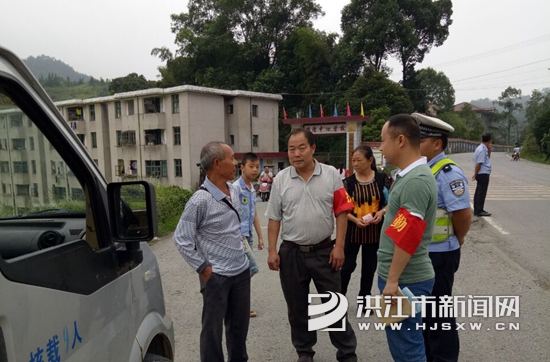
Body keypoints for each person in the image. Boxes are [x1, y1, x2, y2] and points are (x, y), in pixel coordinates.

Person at [266, 128, 358, 362]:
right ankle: (304, 352)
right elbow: (274, 218)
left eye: (301, 148)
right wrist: (271, 251)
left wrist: (339, 247)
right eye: (291, 149)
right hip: (291, 253)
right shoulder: (280, 180)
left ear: (313, 148)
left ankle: (346, 353)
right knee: (297, 309)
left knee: (333, 305)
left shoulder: (331, 175)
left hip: (324, 250)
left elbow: (342, 211)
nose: (296, 154)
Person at [173, 141, 250, 362]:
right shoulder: (200, 200)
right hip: (217, 277)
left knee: (238, 330)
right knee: (212, 332)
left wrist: (247, 261)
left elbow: (235, 230)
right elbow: (181, 238)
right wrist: (204, 269)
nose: (236, 163)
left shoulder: (234, 190)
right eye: (232, 158)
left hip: (241, 273)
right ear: (217, 163)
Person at [378, 114, 438, 362]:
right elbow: (401, 225)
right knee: (402, 345)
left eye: (383, 140)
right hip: (399, 278)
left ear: (400, 140)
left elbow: (409, 234)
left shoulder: (417, 181)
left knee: (408, 350)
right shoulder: (407, 177)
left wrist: (392, 282)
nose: (381, 146)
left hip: (405, 281)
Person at [413, 113, 472, 362]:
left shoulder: (447, 172)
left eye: (422, 142)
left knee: (439, 313)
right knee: (425, 313)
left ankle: (445, 358)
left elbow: (462, 213)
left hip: (441, 254)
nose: (417, 146)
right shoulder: (423, 170)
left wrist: (457, 239)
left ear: (437, 144)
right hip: (425, 253)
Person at [341, 145, 389, 299]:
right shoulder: (348, 183)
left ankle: (365, 298)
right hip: (353, 230)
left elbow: (391, 202)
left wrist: (381, 212)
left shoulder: (382, 180)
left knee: (369, 267)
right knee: (347, 266)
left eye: (359, 160)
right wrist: (355, 219)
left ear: (370, 160)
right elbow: (342, 209)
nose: (355, 164)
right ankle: (340, 298)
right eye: (353, 160)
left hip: (374, 231)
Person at [233, 152, 264, 318]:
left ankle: (242, 305)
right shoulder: (235, 188)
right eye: (251, 166)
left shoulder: (252, 188)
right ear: (242, 167)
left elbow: (254, 214)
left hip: (248, 235)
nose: (254, 170)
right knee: (251, 268)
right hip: (238, 236)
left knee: (244, 272)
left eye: (256, 167)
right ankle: (238, 303)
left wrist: (260, 236)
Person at [472, 133, 492, 217]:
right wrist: (475, 174)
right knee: (481, 192)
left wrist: (489, 150)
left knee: (479, 191)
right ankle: (479, 210)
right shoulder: (483, 150)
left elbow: (487, 159)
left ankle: (477, 209)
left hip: (481, 173)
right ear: (490, 140)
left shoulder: (481, 148)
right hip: (483, 173)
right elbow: (479, 163)